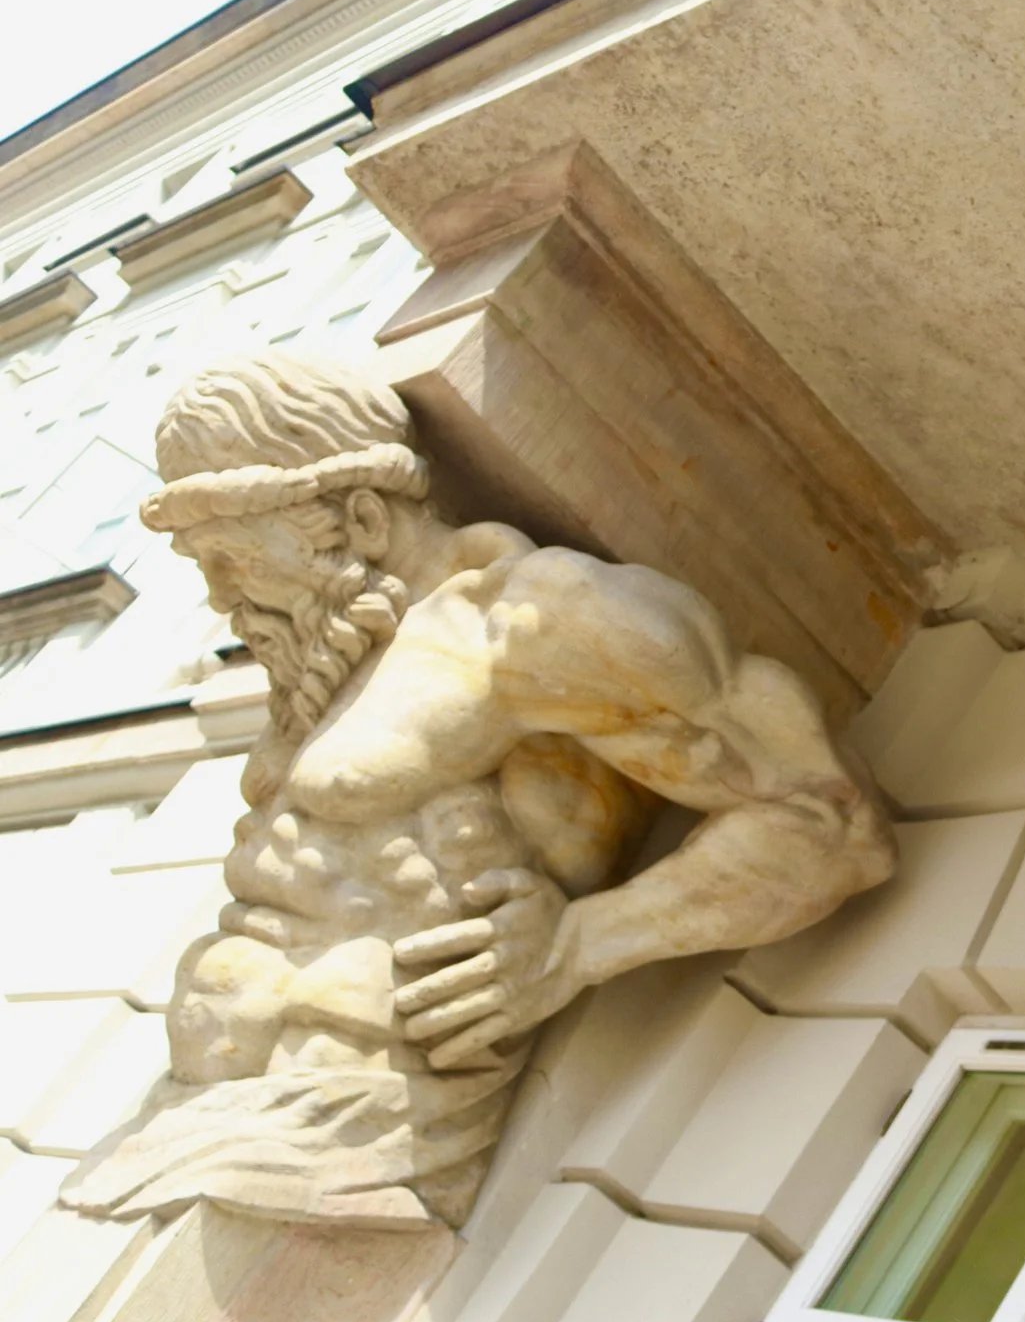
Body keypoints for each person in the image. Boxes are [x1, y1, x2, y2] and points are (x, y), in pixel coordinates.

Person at [64, 353, 895, 1228]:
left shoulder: (535, 619)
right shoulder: (324, 656)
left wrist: (580, 942)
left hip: (368, 1120)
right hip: (211, 1115)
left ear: (361, 517)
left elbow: (830, 822)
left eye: (232, 558)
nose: (219, 596)